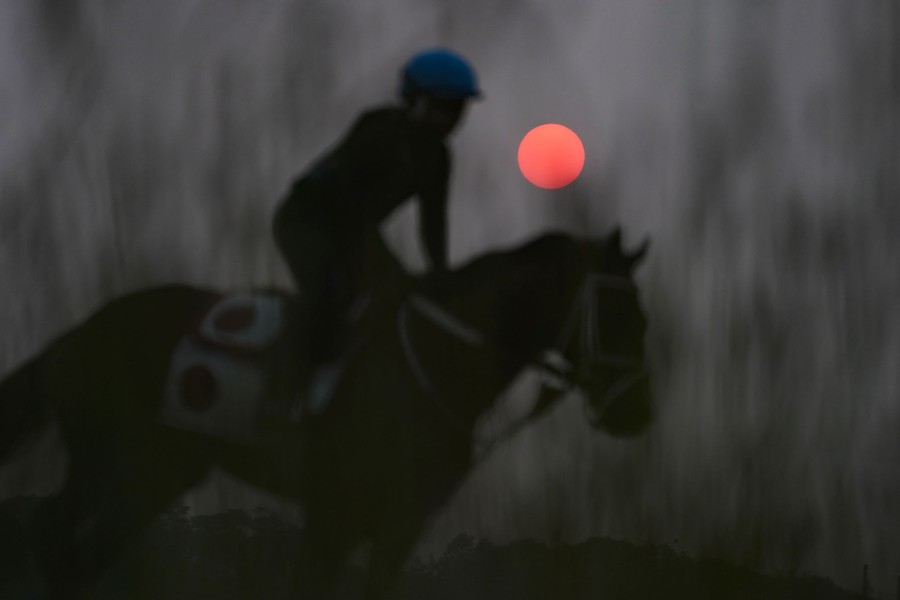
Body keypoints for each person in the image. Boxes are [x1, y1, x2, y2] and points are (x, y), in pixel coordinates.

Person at [272, 48, 481, 404]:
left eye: (459, 109)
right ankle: (285, 391)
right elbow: (346, 206)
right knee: (330, 296)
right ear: (416, 102)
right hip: (303, 222)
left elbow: (433, 224)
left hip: (350, 233)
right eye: (446, 106)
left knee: (383, 305)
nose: (452, 118)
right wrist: (388, 263)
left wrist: (442, 280)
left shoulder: (439, 158)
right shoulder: (377, 129)